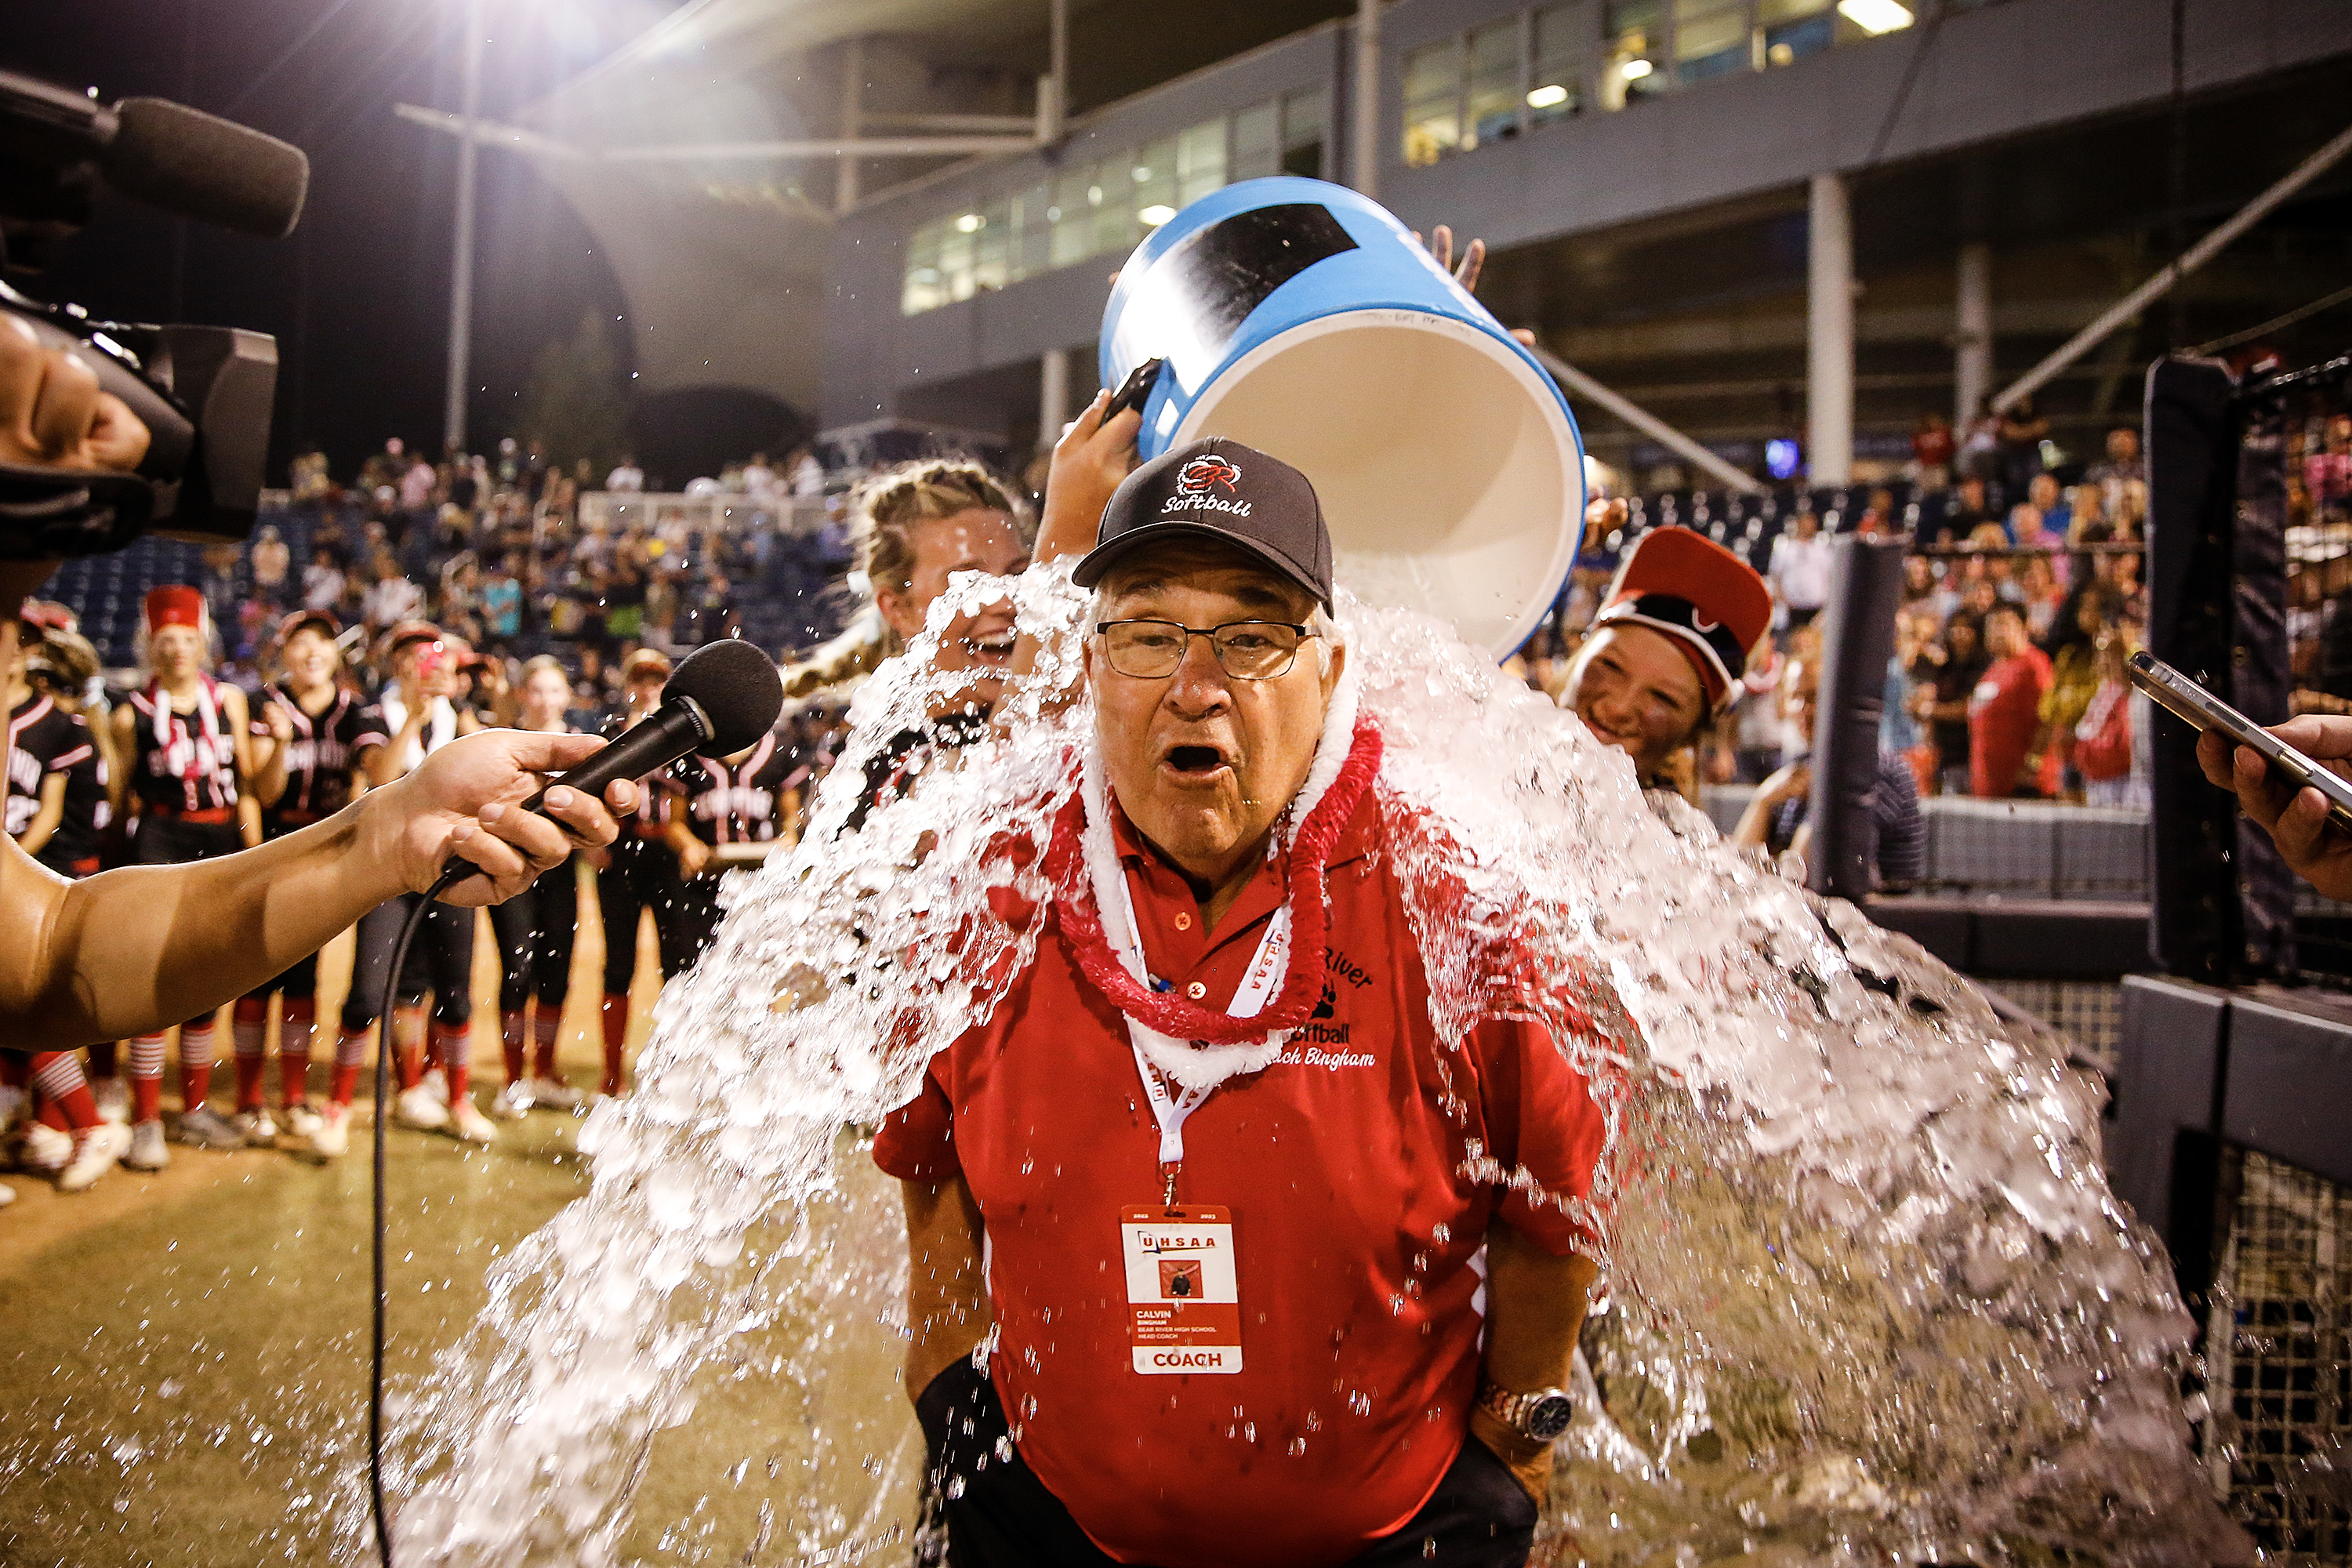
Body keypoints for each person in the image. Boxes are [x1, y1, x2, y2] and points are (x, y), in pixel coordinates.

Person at [877, 438, 1606, 1568]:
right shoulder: (988, 880)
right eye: (1148, 632)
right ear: (1090, 665)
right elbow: (924, 1158)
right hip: (1044, 1525)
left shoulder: (1462, 900)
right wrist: (947, 1391)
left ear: (1332, 666)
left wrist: (1513, 1460)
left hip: (1391, 1535)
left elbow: (1555, 1221)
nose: (1195, 684)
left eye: (1253, 635)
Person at [109, 586, 260, 1164]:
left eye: (186, 639)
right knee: (152, 981)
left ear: (203, 643)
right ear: (150, 646)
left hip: (219, 839)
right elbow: (121, 797)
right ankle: (146, 1119)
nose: (176, 650)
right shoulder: (131, 713)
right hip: (159, 839)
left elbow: (245, 780)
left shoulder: (230, 701)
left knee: (206, 979)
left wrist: (251, 846)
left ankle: (193, 1110)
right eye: (164, 641)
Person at [230, 612, 387, 1150]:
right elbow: (265, 791)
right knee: (254, 975)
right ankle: (250, 1100)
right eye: (300, 643)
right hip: (272, 850)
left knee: (302, 976)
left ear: (336, 654)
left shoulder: (353, 713)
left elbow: (373, 771)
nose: (312, 652)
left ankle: (293, 1095)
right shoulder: (264, 705)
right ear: (286, 654)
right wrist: (276, 743)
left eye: (321, 642)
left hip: (319, 856)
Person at [342, 622, 496, 1147]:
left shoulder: (463, 721)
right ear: (397, 666)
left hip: (453, 868)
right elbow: (381, 777)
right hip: (389, 870)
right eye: (413, 659)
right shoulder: (373, 714)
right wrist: (411, 717)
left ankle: (456, 1098)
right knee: (373, 991)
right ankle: (380, 1096)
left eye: (435, 661)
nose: (425, 670)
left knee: (454, 992)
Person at [1560, 526, 1773, 808]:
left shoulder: (1665, 847)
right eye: (1611, 665)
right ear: (1581, 653)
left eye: (1663, 697)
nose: (1618, 708)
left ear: (1690, 734)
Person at [592, 649, 699, 1097]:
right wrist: (598, 843)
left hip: (663, 849)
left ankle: (670, 1064)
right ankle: (612, 1071)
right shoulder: (609, 733)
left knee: (676, 959)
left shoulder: (680, 736)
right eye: (641, 679)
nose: (648, 688)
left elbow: (685, 798)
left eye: (657, 679)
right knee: (619, 961)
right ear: (628, 684)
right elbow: (593, 789)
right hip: (621, 850)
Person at [487, 657, 588, 1120]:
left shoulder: (582, 744)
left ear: (567, 697)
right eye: (538, 690)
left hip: (562, 868)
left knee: (556, 967)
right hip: (513, 866)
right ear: (524, 694)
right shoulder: (505, 743)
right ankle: (513, 1080)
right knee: (517, 966)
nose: (545, 699)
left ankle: (544, 1071)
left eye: (554, 691)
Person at [1969, 604, 2052, 799]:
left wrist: (2032, 763)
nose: (1996, 632)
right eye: (1991, 626)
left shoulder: (2034, 664)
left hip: (2023, 786)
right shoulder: (1993, 669)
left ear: (2023, 628)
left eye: (2003, 624)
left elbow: (2050, 718)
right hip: (1988, 785)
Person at [1915, 612, 1987, 797]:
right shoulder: (1946, 668)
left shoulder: (1983, 667)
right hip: (1945, 757)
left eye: (1965, 627)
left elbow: (1969, 709)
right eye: (1954, 627)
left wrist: (1928, 710)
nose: (1959, 632)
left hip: (1969, 758)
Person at [1766, 507, 1832, 628]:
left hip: (1816, 607)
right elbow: (1776, 577)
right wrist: (1783, 601)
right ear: (1798, 523)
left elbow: (1829, 576)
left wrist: (1826, 605)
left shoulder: (1822, 549)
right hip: (1792, 608)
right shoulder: (1784, 549)